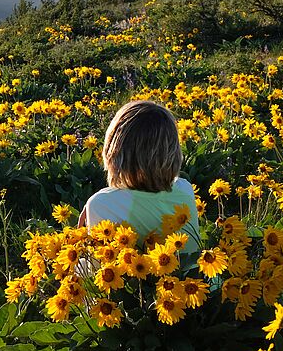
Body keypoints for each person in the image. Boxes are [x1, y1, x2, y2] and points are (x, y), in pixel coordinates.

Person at [78, 100, 201, 258]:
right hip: (194, 280)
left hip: (134, 281)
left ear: (115, 150)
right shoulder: (185, 190)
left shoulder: (102, 204)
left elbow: (96, 270)